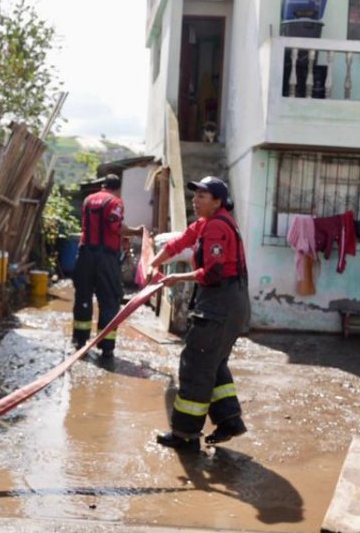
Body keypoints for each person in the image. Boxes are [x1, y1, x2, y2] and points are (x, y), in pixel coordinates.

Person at [148, 176, 250, 452]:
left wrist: (176, 277)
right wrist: (153, 263)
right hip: (230, 303)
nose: (195, 200)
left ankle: (185, 435)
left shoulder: (217, 226)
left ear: (217, 201)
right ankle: (229, 421)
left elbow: (213, 272)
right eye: (194, 196)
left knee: (195, 364)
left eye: (202, 196)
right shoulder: (209, 223)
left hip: (221, 303)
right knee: (213, 363)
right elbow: (182, 240)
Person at [71, 173, 142, 361]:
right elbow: (114, 225)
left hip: (84, 254)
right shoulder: (115, 202)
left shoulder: (88, 200)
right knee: (110, 299)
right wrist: (136, 231)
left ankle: (80, 340)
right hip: (105, 258)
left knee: (83, 296)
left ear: (103, 185)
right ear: (118, 188)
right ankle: (106, 347)